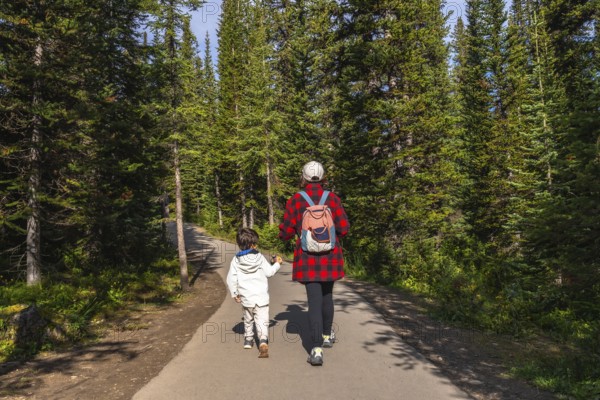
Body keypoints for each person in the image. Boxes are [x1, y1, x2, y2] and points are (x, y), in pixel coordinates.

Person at [279, 161, 350, 366]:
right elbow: (344, 229)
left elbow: (285, 232)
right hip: (330, 256)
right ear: (323, 177)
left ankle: (316, 349)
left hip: (307, 258)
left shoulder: (295, 200)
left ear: (303, 178)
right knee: (328, 296)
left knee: (314, 302)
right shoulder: (333, 199)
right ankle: (327, 336)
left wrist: (291, 234)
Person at [226, 228, 282, 358]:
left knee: (248, 318)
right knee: (262, 321)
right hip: (261, 297)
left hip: (246, 297)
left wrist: (235, 293)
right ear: (252, 245)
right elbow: (269, 272)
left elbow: (231, 278)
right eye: (255, 243)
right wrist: (277, 264)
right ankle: (262, 341)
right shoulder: (259, 257)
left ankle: (248, 340)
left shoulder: (236, 260)